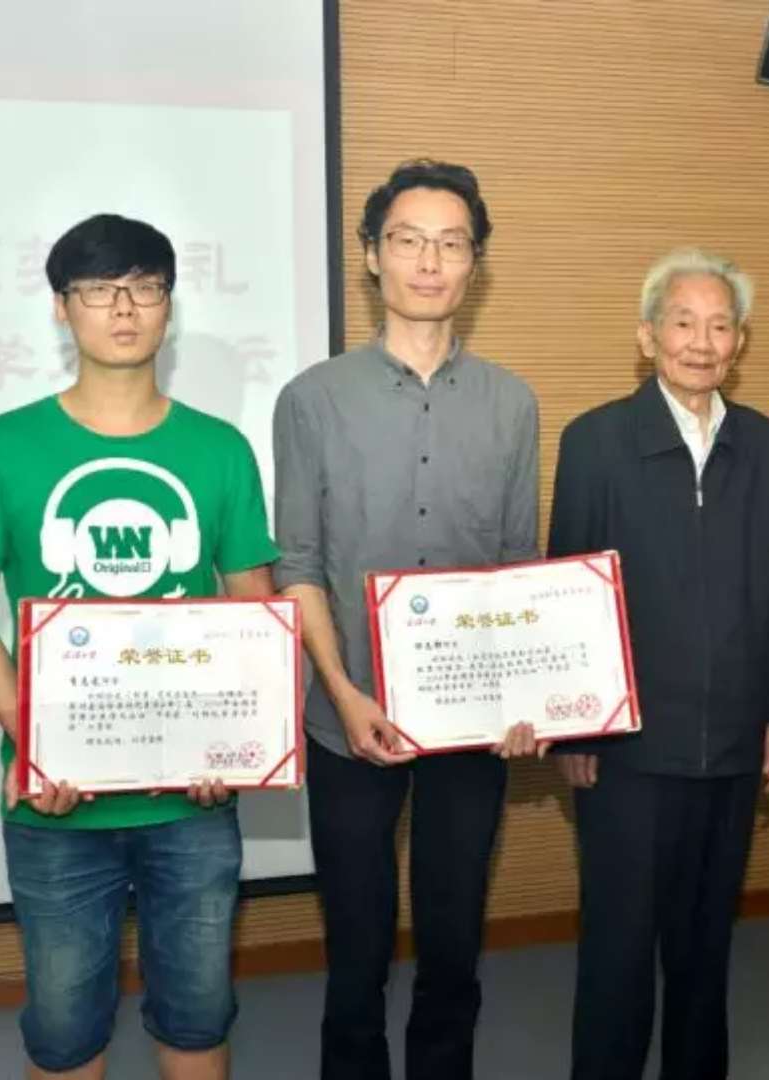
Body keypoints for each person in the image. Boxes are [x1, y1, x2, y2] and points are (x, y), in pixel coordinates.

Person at [0, 212, 279, 1079]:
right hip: (57, 811)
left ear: (169, 306)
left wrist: (235, 742)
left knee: (197, 1020)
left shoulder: (220, 449)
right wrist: (34, 741)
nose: (123, 308)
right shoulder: (1, 447)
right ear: (61, 307)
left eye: (144, 287)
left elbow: (254, 611)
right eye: (97, 289)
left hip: (191, 805)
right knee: (63, 1033)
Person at [271, 159, 542, 1080]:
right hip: (347, 717)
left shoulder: (511, 402)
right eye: (408, 240)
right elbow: (298, 563)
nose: (429, 261)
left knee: (454, 941)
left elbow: (517, 566)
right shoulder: (312, 399)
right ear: (371, 256)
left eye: (451, 243)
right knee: (355, 946)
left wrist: (523, 695)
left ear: (475, 264)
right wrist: (341, 692)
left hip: (470, 720)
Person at [548, 248, 769, 1080]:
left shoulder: (768, 448)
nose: (701, 343)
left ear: (739, 342)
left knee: (705, 949)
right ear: (646, 336)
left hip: (734, 745)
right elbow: (567, 588)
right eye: (682, 322)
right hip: (626, 748)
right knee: (618, 950)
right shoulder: (595, 441)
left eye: (720, 326)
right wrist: (574, 728)